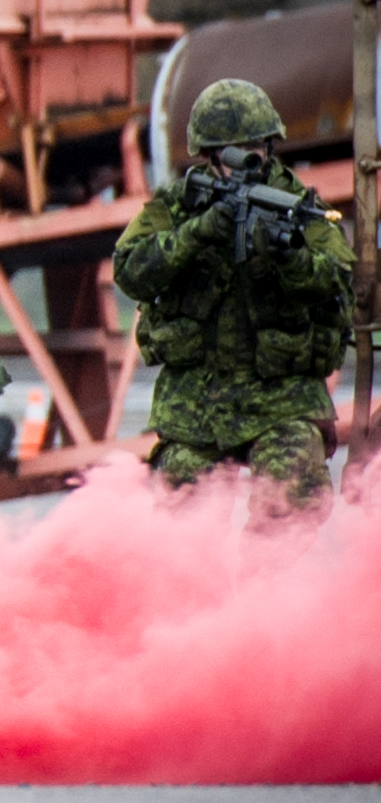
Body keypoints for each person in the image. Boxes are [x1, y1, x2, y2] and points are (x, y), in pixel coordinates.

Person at [113, 78, 354, 530]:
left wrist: (291, 258)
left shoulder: (296, 207)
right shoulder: (179, 207)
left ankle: (258, 591)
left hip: (281, 398)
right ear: (208, 156)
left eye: (254, 148)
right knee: (178, 508)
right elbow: (129, 270)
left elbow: (339, 281)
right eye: (231, 151)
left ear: (269, 147)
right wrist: (198, 232)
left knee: (297, 490)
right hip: (196, 404)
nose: (246, 160)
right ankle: (199, 598)